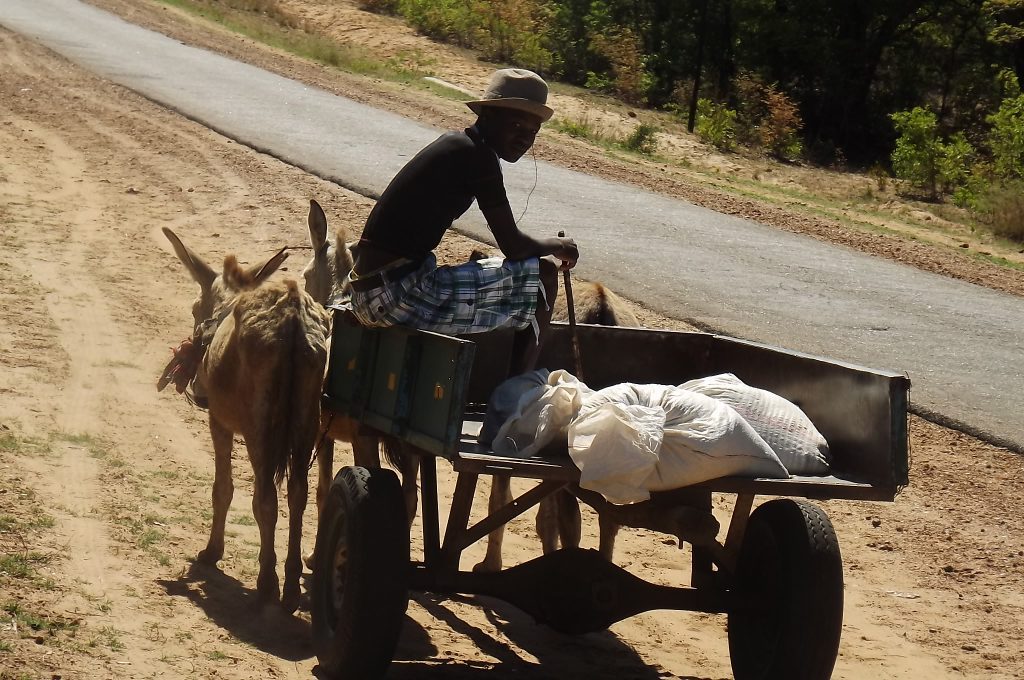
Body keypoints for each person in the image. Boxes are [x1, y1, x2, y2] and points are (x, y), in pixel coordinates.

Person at [345, 68, 578, 374]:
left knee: (505, 282)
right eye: (516, 125)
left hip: (368, 290)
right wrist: (561, 245)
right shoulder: (477, 157)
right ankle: (518, 396)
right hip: (396, 295)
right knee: (542, 275)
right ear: (489, 116)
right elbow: (514, 246)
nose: (524, 138)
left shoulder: (459, 145)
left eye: (532, 131)